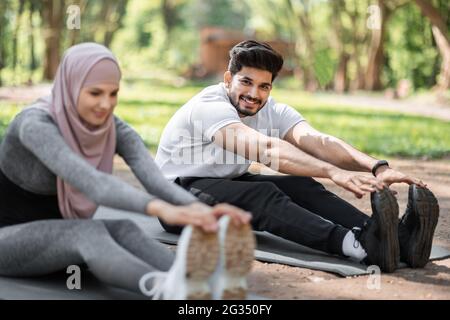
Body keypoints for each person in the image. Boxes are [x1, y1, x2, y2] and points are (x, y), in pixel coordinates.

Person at [155, 40, 440, 273]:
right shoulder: (209, 107)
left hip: (225, 182)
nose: (254, 94)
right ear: (228, 78)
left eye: (264, 86)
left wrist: (377, 167)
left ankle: (388, 236)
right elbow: (266, 150)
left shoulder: (271, 110)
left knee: (302, 185)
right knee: (263, 195)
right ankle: (357, 246)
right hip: (178, 197)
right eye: (246, 82)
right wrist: (333, 172)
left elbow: (318, 142)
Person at [0, 42, 254, 300]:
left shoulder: (111, 127)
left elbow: (155, 180)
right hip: (7, 243)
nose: (105, 104)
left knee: (125, 228)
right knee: (87, 232)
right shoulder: (35, 124)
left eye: (113, 94)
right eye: (95, 93)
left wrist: (202, 211)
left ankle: (196, 283)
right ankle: (163, 289)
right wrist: (163, 209)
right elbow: (94, 184)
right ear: (71, 86)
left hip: (55, 237)